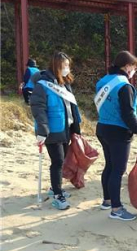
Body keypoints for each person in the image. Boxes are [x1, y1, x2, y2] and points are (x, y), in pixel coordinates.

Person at [95, 50, 137, 221]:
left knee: (109, 166)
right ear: (127, 67)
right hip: (118, 132)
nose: (134, 71)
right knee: (118, 170)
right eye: (134, 68)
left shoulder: (103, 81)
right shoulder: (124, 85)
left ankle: (107, 200)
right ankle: (116, 209)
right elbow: (128, 115)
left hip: (102, 127)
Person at [30, 52, 81, 210]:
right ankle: (58, 195)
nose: (67, 68)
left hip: (65, 127)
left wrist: (76, 126)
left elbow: (71, 107)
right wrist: (43, 130)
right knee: (58, 161)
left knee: (62, 159)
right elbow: (39, 109)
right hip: (52, 130)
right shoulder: (42, 85)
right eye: (64, 65)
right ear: (56, 66)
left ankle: (54, 188)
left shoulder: (64, 84)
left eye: (68, 65)